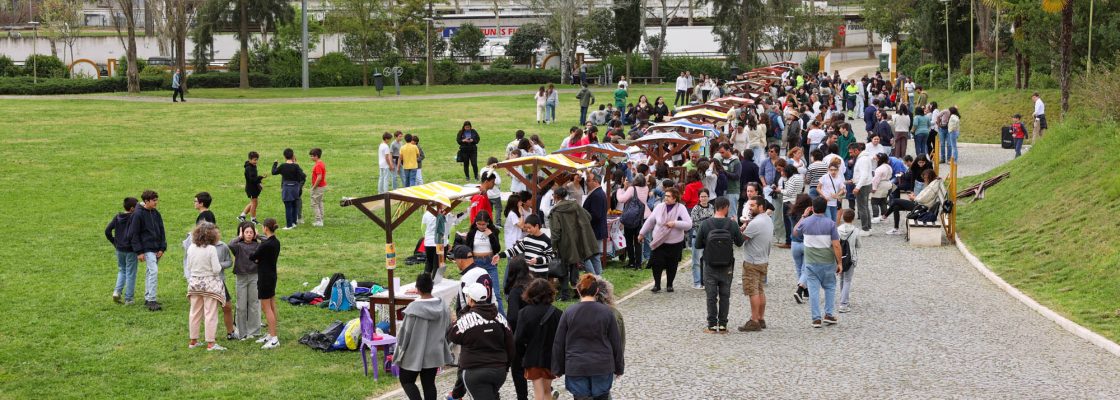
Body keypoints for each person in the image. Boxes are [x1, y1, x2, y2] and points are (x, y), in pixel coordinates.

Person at [552, 275, 625, 400]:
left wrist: (557, 368)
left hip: (576, 365)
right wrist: (619, 368)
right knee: (602, 396)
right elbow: (616, 343)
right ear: (597, 291)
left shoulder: (569, 312)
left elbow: (559, 342)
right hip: (602, 365)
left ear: (578, 290)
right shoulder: (607, 312)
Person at [447, 282, 513, 400]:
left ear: (471, 300)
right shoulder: (499, 317)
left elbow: (451, 334)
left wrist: (465, 313)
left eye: (467, 296)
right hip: (499, 370)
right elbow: (510, 344)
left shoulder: (467, 318)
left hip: (474, 371)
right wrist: (506, 366)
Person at [395, 273, 454, 400]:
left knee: (406, 380)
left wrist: (399, 351)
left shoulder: (413, 308)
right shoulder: (443, 306)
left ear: (418, 289)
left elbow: (405, 333)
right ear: (431, 287)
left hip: (414, 352)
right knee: (429, 384)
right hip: (434, 351)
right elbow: (448, 327)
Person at [695, 197, 744, 333]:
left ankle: (711, 325)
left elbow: (698, 244)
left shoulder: (705, 224)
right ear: (726, 207)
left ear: (715, 207)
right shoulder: (732, 224)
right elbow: (740, 243)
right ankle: (723, 325)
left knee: (711, 296)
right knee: (725, 295)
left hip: (710, 265)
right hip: (727, 265)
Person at [792, 197, 842, 328]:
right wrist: (840, 263)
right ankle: (829, 314)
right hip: (827, 261)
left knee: (813, 290)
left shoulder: (806, 222)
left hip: (811, 262)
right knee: (830, 287)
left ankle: (816, 318)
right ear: (825, 208)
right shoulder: (831, 224)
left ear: (812, 208)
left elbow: (795, 232)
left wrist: (803, 216)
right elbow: (836, 245)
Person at [548, 187, 600, 301]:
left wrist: (553, 246)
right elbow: (588, 217)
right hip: (577, 242)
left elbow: (556, 231)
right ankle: (577, 292)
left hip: (563, 243)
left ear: (556, 196)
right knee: (574, 267)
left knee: (563, 268)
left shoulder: (555, 211)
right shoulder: (575, 206)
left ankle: (565, 294)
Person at [515, 278, 563, 400]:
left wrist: (522, 354)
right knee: (547, 391)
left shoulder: (524, 313)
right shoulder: (557, 313)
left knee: (538, 392)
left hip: (532, 357)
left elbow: (518, 339)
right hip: (550, 358)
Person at [639, 187, 693, 293]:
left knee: (672, 264)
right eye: (666, 195)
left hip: (675, 243)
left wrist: (675, 223)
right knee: (656, 263)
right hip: (659, 241)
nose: (666, 198)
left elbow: (688, 224)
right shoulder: (659, 207)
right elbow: (650, 221)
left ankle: (669, 284)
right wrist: (641, 233)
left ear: (675, 198)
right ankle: (657, 284)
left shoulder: (680, 208)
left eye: (669, 196)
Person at [185, 222, 225, 351]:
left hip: (194, 284)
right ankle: (211, 343)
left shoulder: (191, 247)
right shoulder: (211, 249)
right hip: (210, 285)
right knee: (210, 313)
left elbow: (189, 266)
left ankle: (193, 341)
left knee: (194, 312)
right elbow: (216, 269)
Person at [736, 196, 773, 332]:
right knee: (760, 289)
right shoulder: (767, 219)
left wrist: (737, 227)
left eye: (753, 206)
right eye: (749, 206)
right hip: (763, 260)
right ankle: (761, 318)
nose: (750, 208)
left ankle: (754, 320)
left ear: (761, 207)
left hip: (752, 261)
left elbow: (740, 240)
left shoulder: (756, 223)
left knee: (753, 291)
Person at [126, 190, 167, 312]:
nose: (156, 202)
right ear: (146, 201)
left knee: (150, 272)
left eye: (156, 200)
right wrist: (139, 251)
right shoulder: (138, 215)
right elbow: (133, 234)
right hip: (147, 248)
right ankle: (151, 300)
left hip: (156, 248)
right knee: (153, 271)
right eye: (154, 200)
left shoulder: (155, 213)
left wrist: (162, 248)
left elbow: (161, 230)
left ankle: (148, 297)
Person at [881, 169, 944, 234]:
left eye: (925, 178)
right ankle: (895, 229)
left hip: (921, 207)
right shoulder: (933, 183)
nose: (924, 180)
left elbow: (923, 199)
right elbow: (924, 196)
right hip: (919, 205)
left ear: (930, 177)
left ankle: (884, 216)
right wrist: (915, 196)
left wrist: (914, 198)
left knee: (895, 200)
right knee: (896, 206)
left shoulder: (933, 186)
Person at [250, 218, 281, 349]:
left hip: (264, 278)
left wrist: (257, 259)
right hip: (272, 276)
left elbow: (253, 256)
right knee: (272, 306)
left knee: (266, 308)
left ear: (266, 228)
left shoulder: (265, 245)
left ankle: (274, 338)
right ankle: (271, 333)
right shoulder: (276, 242)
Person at [228, 221, 262, 341]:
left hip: (254, 277)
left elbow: (268, 241)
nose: (248, 234)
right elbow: (230, 244)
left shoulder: (257, 246)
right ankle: (241, 331)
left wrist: (258, 236)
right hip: (241, 278)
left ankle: (254, 330)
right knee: (241, 305)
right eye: (246, 232)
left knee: (254, 303)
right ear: (242, 233)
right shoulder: (238, 246)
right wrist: (239, 236)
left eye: (251, 232)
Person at [467, 210, 503, 313]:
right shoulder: (472, 233)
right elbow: (468, 248)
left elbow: (497, 249)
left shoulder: (493, 231)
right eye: (479, 224)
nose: (481, 226)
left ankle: (501, 317)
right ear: (476, 222)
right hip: (476, 262)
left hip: (490, 262)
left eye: (484, 224)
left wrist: (491, 235)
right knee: (475, 291)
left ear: (488, 222)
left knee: (496, 292)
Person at [106, 197, 139, 305]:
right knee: (131, 273)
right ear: (132, 208)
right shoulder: (133, 218)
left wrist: (115, 242)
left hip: (119, 249)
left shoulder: (117, 217)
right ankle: (129, 298)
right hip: (130, 250)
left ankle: (117, 291)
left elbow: (107, 231)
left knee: (122, 270)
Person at [617, 174, 650, 270]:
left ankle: (631, 261)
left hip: (631, 217)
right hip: (642, 216)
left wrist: (622, 188)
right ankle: (638, 264)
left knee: (629, 240)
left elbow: (621, 199)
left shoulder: (632, 189)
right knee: (638, 241)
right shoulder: (646, 188)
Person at [272, 149, 306, 230]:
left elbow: (273, 172)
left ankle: (289, 225)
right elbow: (303, 176)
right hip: (295, 188)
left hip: (287, 187)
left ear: (284, 156)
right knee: (294, 205)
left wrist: (275, 163)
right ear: (293, 156)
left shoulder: (283, 166)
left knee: (288, 207)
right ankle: (294, 222)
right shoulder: (296, 166)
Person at [582, 173, 608, 276]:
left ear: (596, 182)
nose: (586, 183)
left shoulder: (597, 194)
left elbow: (595, 215)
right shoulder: (598, 193)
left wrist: (582, 217)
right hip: (596, 230)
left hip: (594, 231)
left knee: (588, 256)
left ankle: (595, 278)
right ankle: (598, 279)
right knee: (594, 256)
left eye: (588, 180)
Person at [689, 189, 714, 290]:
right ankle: (697, 282)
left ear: (708, 197)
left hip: (710, 237)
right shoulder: (696, 208)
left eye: (705, 196)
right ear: (699, 198)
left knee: (708, 260)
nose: (703, 198)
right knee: (696, 260)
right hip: (698, 236)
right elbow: (694, 223)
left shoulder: (712, 207)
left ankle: (707, 281)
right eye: (701, 196)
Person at [849, 143, 874, 235]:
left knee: (862, 208)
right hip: (865, 184)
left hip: (863, 186)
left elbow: (864, 175)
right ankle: (868, 227)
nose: (850, 154)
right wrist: (854, 180)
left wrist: (857, 187)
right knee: (865, 207)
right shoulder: (864, 158)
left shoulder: (862, 159)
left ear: (856, 150)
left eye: (851, 152)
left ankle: (865, 229)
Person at [239, 151, 265, 224]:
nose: (256, 161)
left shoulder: (253, 166)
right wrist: (260, 177)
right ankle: (253, 219)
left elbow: (255, 178)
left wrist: (259, 183)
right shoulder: (249, 168)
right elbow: (252, 179)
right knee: (254, 203)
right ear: (250, 160)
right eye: (254, 160)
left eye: (257, 159)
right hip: (251, 189)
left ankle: (242, 216)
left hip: (254, 188)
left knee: (253, 203)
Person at [870, 153, 894, 224]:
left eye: (877, 158)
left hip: (881, 185)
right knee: (883, 201)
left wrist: (874, 187)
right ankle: (884, 217)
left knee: (874, 202)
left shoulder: (880, 168)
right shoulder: (889, 167)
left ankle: (875, 217)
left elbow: (876, 179)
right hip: (888, 184)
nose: (876, 159)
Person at [308, 148, 327, 226]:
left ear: (316, 156)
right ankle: (321, 219)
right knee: (319, 202)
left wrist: (314, 187)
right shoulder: (321, 163)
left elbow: (319, 177)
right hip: (321, 186)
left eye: (312, 156)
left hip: (318, 187)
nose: (311, 157)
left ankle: (318, 221)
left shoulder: (318, 165)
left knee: (314, 203)